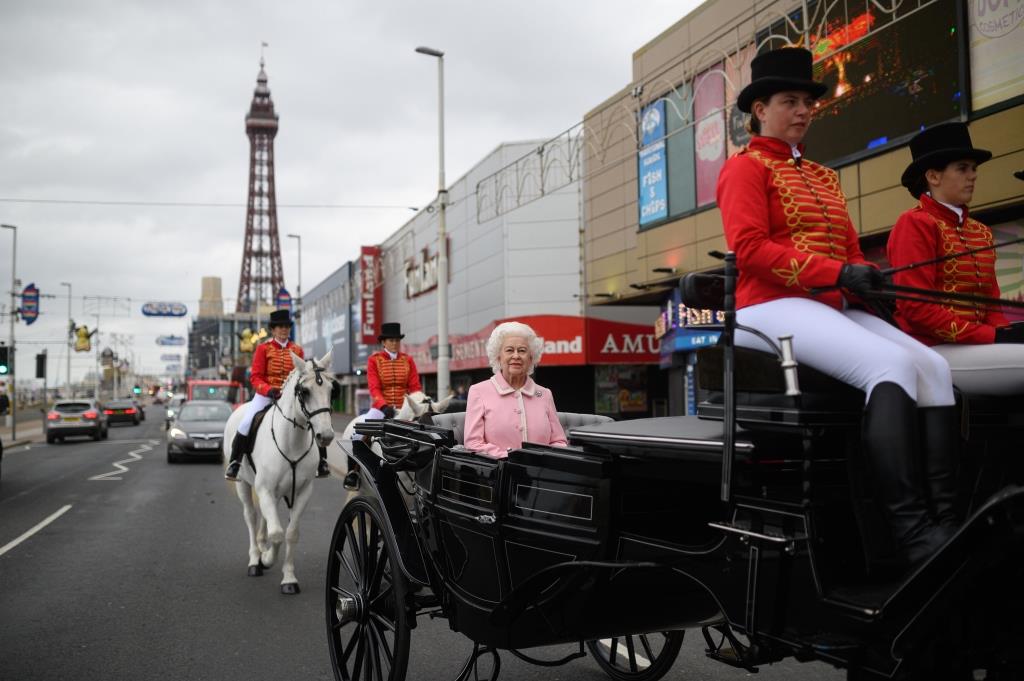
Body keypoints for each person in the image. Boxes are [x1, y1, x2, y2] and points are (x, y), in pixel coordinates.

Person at [716, 47, 958, 567]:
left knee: (934, 368)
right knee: (890, 366)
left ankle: (947, 519)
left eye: (807, 101)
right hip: (768, 307)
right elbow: (752, 251)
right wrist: (838, 275)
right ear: (760, 109)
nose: (802, 110)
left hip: (826, 303)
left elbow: (848, 247)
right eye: (790, 101)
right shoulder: (745, 169)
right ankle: (910, 533)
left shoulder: (824, 176)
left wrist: (865, 283)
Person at [887, 122, 1024, 396]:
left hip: (976, 348)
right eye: (962, 168)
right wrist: (994, 337)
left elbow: (992, 306)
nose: (972, 176)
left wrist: (1005, 332)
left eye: (974, 169)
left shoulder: (981, 232)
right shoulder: (914, 223)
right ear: (934, 176)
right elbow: (917, 310)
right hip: (930, 351)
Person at [225, 309, 330, 480]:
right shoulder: (263, 348)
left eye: (287, 327)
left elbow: (302, 376)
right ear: (273, 330)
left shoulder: (297, 350)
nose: (284, 330)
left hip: (291, 397)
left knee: (312, 421)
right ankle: (235, 462)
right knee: (246, 422)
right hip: (266, 395)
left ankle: (322, 461)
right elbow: (256, 376)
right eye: (280, 327)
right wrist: (268, 390)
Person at [463, 321, 567, 458]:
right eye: (509, 350)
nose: (516, 356)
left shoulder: (544, 394)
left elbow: (559, 441)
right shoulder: (478, 391)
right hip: (498, 474)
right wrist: (510, 458)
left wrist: (545, 460)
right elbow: (473, 443)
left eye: (522, 350)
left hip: (541, 475)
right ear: (498, 356)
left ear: (531, 358)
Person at [345, 322, 423, 489]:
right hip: (381, 409)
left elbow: (415, 387)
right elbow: (374, 388)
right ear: (383, 342)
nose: (394, 343)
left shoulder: (408, 360)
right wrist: (383, 406)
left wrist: (415, 404)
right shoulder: (374, 360)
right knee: (359, 434)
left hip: (404, 408)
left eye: (397, 340)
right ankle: (354, 472)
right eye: (391, 340)